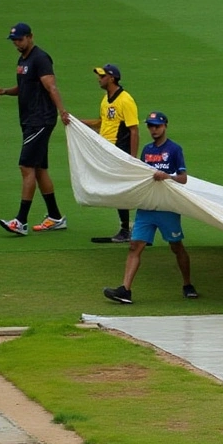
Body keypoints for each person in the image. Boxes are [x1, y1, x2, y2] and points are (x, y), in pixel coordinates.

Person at [102, 112, 198, 304]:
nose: (153, 130)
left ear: (165, 126)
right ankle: (125, 290)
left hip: (166, 207)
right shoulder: (146, 151)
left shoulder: (174, 150)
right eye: (150, 126)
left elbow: (184, 178)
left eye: (156, 126)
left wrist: (167, 176)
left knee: (176, 246)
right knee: (135, 246)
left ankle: (187, 284)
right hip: (147, 208)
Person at [0, 22, 70, 236]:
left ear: (30, 37)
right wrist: (5, 91)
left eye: (20, 39)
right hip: (29, 120)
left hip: (40, 120)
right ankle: (55, 216)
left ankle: (21, 221)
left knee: (26, 166)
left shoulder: (40, 58)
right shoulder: (23, 59)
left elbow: (51, 86)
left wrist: (62, 111)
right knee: (40, 169)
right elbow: (25, 86)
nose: (17, 43)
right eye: (14, 40)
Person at [79, 64, 138, 243]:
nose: (99, 79)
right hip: (107, 151)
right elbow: (102, 123)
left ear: (112, 78)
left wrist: (132, 158)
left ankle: (126, 229)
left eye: (102, 76)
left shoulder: (125, 100)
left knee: (120, 190)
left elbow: (134, 130)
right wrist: (79, 122)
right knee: (116, 190)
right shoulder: (106, 100)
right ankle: (127, 227)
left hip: (120, 151)